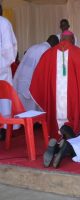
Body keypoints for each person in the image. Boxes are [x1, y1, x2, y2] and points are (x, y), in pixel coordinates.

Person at [30, 30, 80, 139]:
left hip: (54, 95)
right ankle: (72, 131)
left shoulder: (48, 54)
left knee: (55, 106)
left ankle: (56, 134)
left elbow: (38, 78)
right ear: (72, 39)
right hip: (73, 95)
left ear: (61, 39)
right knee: (74, 107)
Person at [13, 35, 59, 111]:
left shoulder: (34, 47)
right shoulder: (47, 50)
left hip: (20, 82)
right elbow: (44, 72)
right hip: (29, 85)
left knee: (21, 112)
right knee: (31, 114)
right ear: (55, 44)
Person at [0, 3, 18, 140]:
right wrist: (6, 63)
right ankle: (4, 127)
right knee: (4, 98)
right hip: (2, 67)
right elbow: (8, 46)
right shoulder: (4, 22)